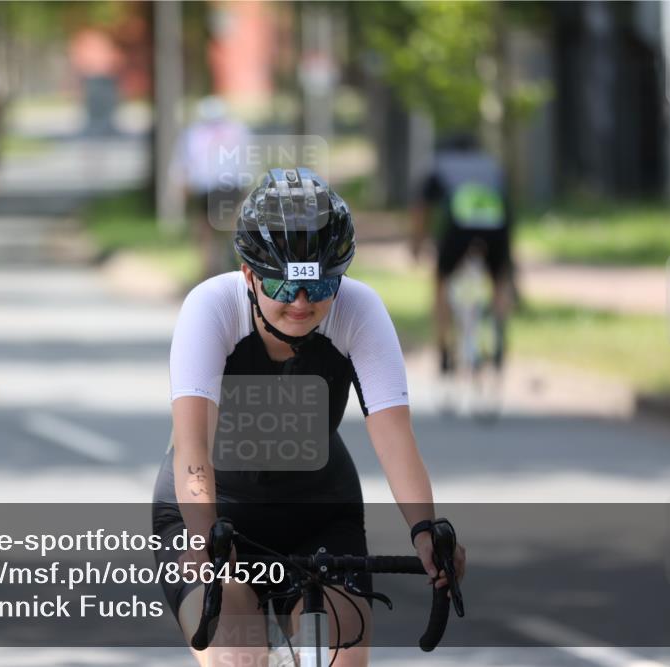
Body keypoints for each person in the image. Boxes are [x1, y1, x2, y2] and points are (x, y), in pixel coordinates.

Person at [152, 167, 466, 667]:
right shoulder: (211, 307)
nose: (301, 303)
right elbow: (192, 447)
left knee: (343, 658)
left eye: (319, 286)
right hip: (217, 513)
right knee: (238, 656)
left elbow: (395, 438)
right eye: (283, 286)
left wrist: (425, 529)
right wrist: (202, 535)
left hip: (319, 513)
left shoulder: (358, 309)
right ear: (249, 274)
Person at [410, 133, 514, 375]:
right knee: (499, 279)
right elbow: (507, 205)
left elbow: (420, 207)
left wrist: (417, 243)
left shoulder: (439, 164)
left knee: (442, 280)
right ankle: (499, 327)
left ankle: (444, 349)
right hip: (496, 224)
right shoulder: (491, 165)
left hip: (459, 226)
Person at [169, 96, 253, 281]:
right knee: (232, 228)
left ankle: (212, 269)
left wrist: (181, 188)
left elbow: (183, 165)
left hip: (207, 187)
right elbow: (248, 161)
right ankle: (232, 266)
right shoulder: (237, 130)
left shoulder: (193, 134)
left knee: (206, 230)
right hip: (229, 186)